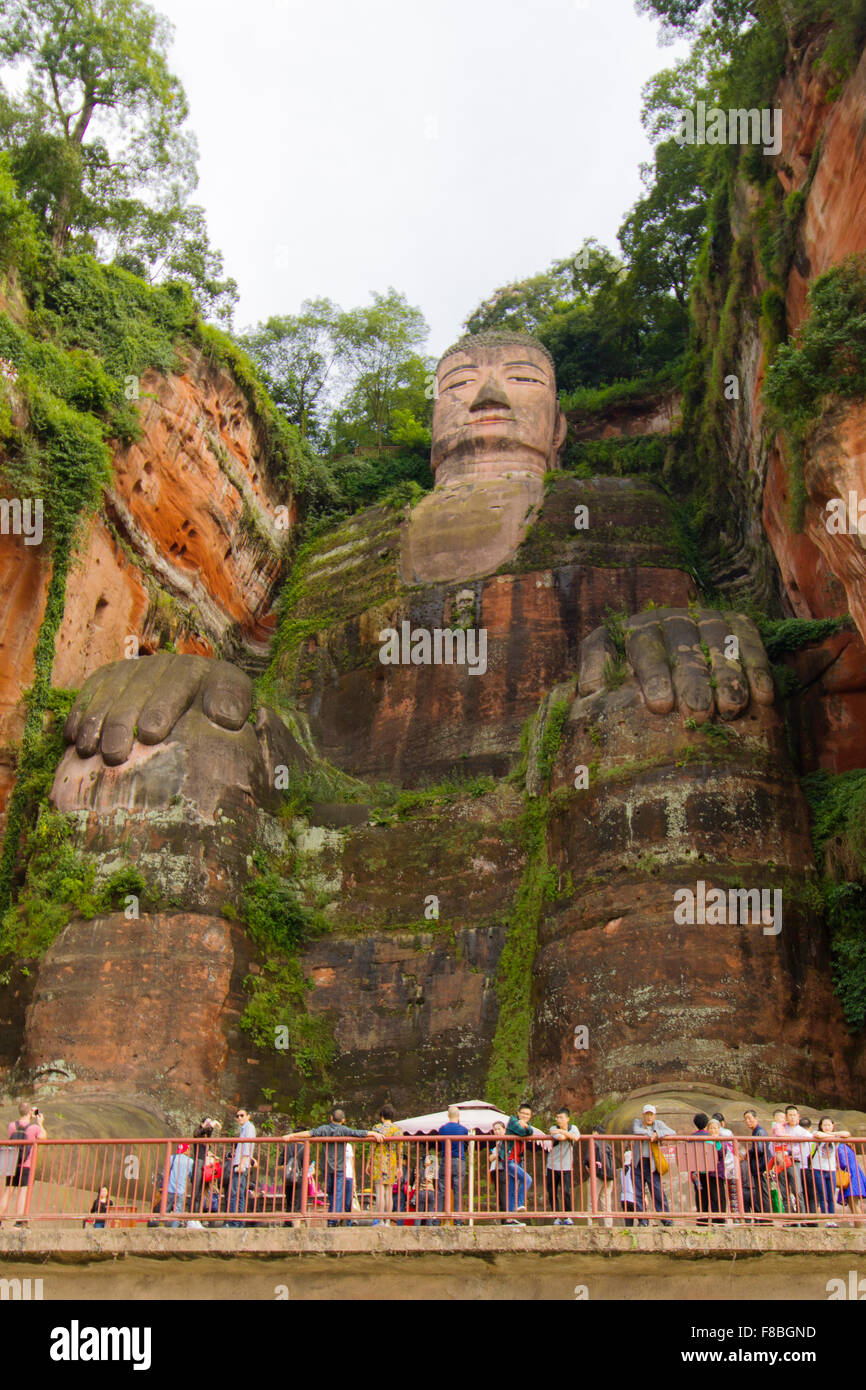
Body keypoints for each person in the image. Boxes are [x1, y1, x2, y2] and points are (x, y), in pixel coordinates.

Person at [286, 1107, 383, 1226]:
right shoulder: (344, 1130)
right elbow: (359, 1133)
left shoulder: (324, 1129)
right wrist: (373, 1133)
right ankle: (333, 1219)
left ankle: (332, 1217)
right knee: (338, 1193)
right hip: (339, 1167)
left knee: (331, 1193)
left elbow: (310, 1133)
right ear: (343, 1120)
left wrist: (292, 1136)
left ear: (331, 1118)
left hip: (326, 1167)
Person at [0, 1102, 46, 1224]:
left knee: (8, 1190)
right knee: (23, 1191)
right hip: (26, 1163)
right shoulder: (33, 1128)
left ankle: (0, 1218)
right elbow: (43, 1137)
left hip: (12, 1162)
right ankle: (19, 1221)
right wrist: (40, 1123)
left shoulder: (11, 1126)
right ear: (30, 1112)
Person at [631, 1104, 674, 1226]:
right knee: (638, 1193)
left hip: (652, 1163)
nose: (649, 1117)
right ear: (643, 1115)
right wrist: (652, 1135)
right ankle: (643, 1220)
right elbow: (636, 1131)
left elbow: (672, 1131)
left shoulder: (658, 1124)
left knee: (657, 1191)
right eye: (647, 1114)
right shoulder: (638, 1122)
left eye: (651, 1114)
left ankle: (666, 1219)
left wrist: (658, 1133)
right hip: (639, 1162)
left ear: (654, 1115)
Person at [810, 1116, 850, 1222]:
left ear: (833, 1126)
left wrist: (832, 1134)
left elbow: (847, 1134)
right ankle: (825, 1218)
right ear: (821, 1126)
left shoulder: (835, 1137)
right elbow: (818, 1134)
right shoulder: (817, 1134)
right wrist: (832, 1135)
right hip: (818, 1168)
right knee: (823, 1195)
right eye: (824, 1125)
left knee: (831, 1196)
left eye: (829, 1125)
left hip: (831, 1169)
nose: (827, 1127)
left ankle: (832, 1218)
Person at [547, 1107, 580, 1225]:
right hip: (552, 1165)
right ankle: (556, 1217)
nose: (558, 1120)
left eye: (561, 1117)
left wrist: (562, 1132)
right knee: (552, 1191)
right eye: (557, 1117)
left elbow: (576, 1137)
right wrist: (565, 1133)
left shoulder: (574, 1128)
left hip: (566, 1166)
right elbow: (561, 1138)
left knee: (566, 1191)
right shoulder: (553, 1128)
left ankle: (567, 1216)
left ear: (568, 1119)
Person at [437, 1104, 470, 1222]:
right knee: (458, 1190)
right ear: (458, 1115)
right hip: (458, 1160)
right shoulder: (463, 1130)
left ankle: (437, 1218)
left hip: (445, 1159)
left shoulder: (442, 1129)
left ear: (448, 1115)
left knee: (442, 1189)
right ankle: (457, 1219)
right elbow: (466, 1145)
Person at [504, 1103, 535, 1219]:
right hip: (509, 1159)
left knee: (512, 1189)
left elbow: (530, 1132)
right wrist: (525, 1128)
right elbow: (522, 1133)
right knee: (527, 1179)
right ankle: (520, 1203)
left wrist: (527, 1127)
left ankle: (510, 1217)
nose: (525, 1116)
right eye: (523, 1113)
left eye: (528, 1114)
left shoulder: (527, 1124)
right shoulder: (512, 1121)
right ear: (518, 1113)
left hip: (516, 1161)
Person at [227, 1106, 256, 1226]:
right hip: (240, 1162)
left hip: (241, 1164)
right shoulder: (245, 1128)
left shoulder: (248, 1128)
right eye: (237, 1116)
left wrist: (242, 1163)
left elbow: (247, 1146)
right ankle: (238, 1221)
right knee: (239, 1193)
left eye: (242, 1115)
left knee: (236, 1193)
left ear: (248, 1116)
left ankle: (235, 1221)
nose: (239, 1118)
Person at [741, 1109, 771, 1221]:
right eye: (746, 1120)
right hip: (758, 1167)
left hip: (762, 1166)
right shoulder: (755, 1131)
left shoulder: (759, 1131)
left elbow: (759, 1149)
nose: (748, 1121)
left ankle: (766, 1218)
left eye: (750, 1118)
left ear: (756, 1118)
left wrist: (748, 1153)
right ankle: (763, 1217)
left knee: (764, 1193)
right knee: (760, 1193)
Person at [585, 1125, 615, 1227]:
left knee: (592, 1202)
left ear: (595, 1132)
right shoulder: (608, 1145)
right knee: (606, 1203)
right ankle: (608, 1226)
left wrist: (590, 1170)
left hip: (597, 1176)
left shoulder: (593, 1142)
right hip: (609, 1176)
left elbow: (588, 1160)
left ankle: (592, 1226)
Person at [712, 1112, 739, 1218]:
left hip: (722, 1166)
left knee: (721, 1193)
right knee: (733, 1194)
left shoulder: (718, 1134)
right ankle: (735, 1217)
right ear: (722, 1123)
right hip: (731, 1165)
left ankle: (722, 1217)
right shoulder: (728, 1132)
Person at [279, 1123, 306, 1227]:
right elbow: (306, 1165)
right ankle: (296, 1224)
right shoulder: (305, 1147)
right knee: (298, 1201)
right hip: (299, 1178)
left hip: (288, 1177)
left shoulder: (288, 1147)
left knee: (289, 1199)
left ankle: (287, 1222)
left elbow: (280, 1162)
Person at [835, 1136, 866, 1217]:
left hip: (851, 1177)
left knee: (853, 1205)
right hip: (856, 1175)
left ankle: (859, 1226)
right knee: (854, 1204)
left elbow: (843, 1163)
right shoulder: (849, 1148)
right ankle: (858, 1225)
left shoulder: (841, 1147)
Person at [705, 1119, 729, 1222]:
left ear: (719, 1129)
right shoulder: (705, 1141)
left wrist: (716, 1142)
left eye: (715, 1128)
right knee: (712, 1196)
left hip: (718, 1172)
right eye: (711, 1128)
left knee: (720, 1195)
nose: (713, 1130)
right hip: (708, 1172)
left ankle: (721, 1218)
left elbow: (721, 1153)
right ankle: (715, 1218)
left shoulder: (721, 1141)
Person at [488, 1122, 511, 1224]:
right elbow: (490, 1158)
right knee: (499, 1195)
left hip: (503, 1169)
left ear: (504, 1130)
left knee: (503, 1194)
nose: (497, 1131)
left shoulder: (505, 1141)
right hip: (495, 1170)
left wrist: (495, 1155)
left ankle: (506, 1218)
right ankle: (503, 1218)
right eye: (495, 1130)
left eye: (499, 1129)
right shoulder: (498, 1143)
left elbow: (497, 1156)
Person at [166, 1143, 194, 1226]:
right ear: (186, 1150)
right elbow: (190, 1174)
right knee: (178, 1211)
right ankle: (173, 1228)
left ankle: (164, 1226)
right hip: (181, 1190)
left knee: (166, 1209)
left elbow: (167, 1170)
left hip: (170, 1188)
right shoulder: (190, 1161)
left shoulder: (172, 1158)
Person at [619, 1148, 637, 1227]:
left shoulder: (622, 1170)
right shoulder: (633, 1169)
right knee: (643, 1216)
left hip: (624, 1198)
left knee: (628, 1223)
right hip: (632, 1197)